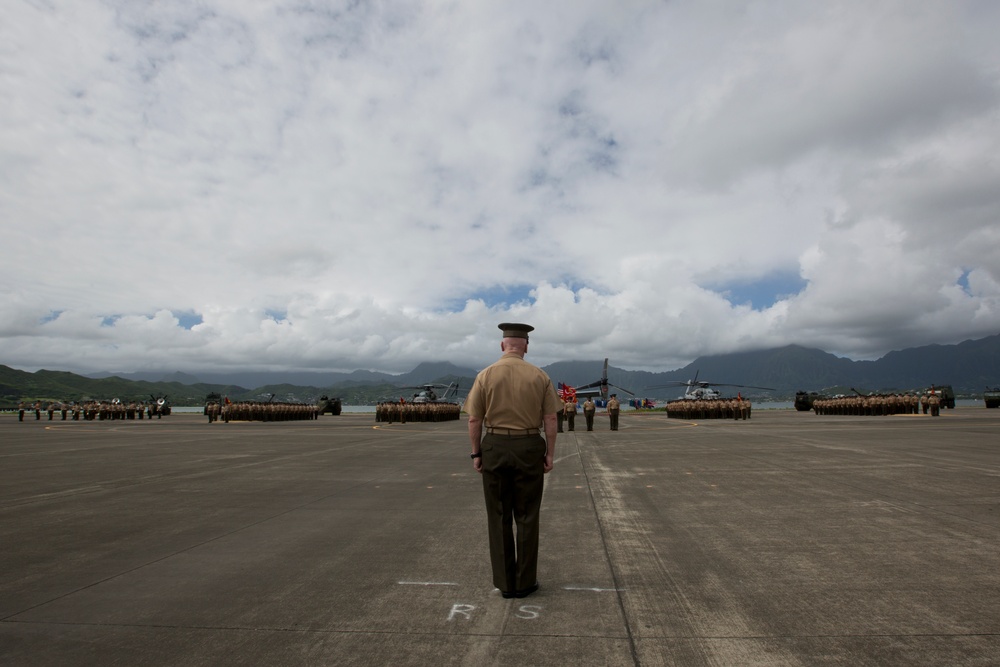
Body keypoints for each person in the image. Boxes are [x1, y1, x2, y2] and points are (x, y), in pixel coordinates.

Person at [465, 322, 561, 599]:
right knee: (527, 515)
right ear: (526, 347)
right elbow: (551, 418)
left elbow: (474, 419)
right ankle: (525, 581)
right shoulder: (539, 376)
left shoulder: (485, 375)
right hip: (529, 445)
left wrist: (476, 453)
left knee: (498, 515)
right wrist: (550, 454)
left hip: (494, 445)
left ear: (502, 345)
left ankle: (505, 583)